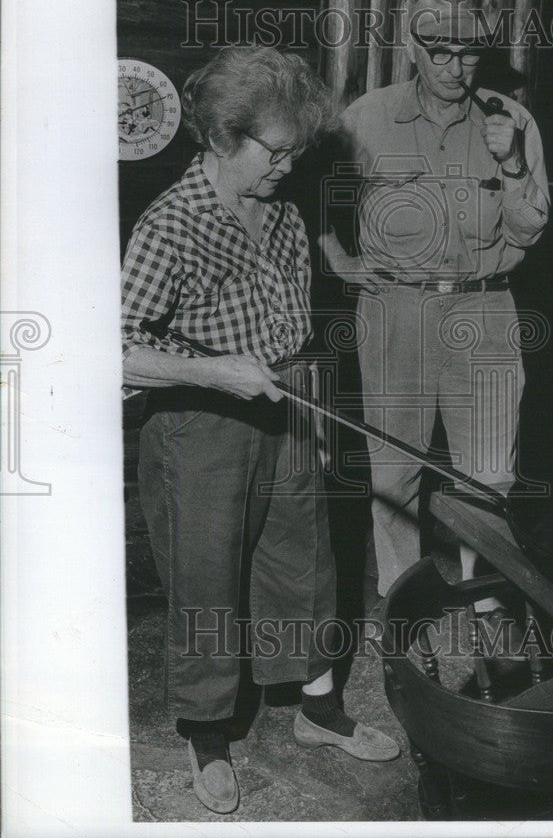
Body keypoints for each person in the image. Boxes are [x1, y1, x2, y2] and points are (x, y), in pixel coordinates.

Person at [121, 46, 398, 816]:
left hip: (283, 405)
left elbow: (285, 306)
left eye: (296, 151)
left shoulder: (281, 211)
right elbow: (112, 349)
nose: (287, 166)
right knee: (207, 577)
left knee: (304, 561)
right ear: (219, 137)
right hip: (201, 425)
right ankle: (206, 732)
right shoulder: (169, 225)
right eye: (275, 151)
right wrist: (213, 372)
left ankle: (316, 710)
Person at [320, 0, 550, 638]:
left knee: (487, 468)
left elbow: (532, 228)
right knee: (395, 463)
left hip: (486, 308)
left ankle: (485, 594)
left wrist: (508, 162)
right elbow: (312, 196)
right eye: (440, 51)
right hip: (394, 310)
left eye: (468, 51)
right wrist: (336, 258)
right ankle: (400, 598)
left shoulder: (514, 121)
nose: (455, 65)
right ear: (413, 49)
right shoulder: (366, 118)